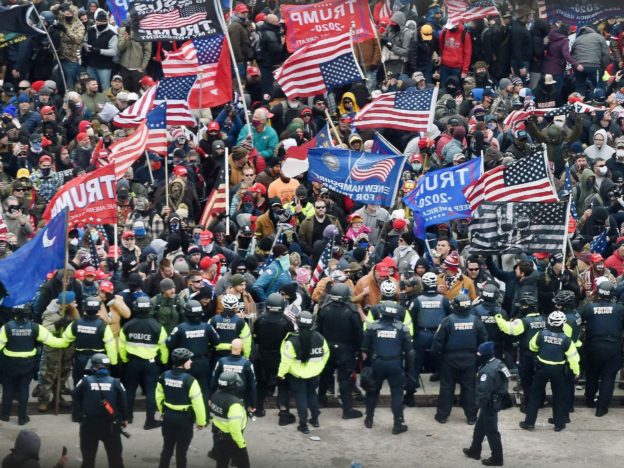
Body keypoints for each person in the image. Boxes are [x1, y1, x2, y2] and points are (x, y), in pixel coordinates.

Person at [0, 304, 66, 425]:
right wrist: (66, 341)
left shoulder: (6, 327)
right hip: (27, 365)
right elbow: (53, 341)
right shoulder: (36, 328)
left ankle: (4, 415)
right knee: (24, 389)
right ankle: (22, 418)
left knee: (8, 389)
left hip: (9, 365)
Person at [431, 294, 487, 425]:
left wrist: (438, 358)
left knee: (447, 387)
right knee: (469, 388)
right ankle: (471, 417)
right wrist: (478, 357)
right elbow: (484, 341)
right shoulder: (476, 321)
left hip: (449, 358)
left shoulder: (447, 321)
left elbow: (437, 342)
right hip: (470, 359)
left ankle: (442, 416)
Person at [519, 311, 580, 432]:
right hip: (558, 371)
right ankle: (559, 423)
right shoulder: (567, 340)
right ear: (563, 324)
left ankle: (529, 422)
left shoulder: (540, 334)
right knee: (558, 397)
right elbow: (573, 358)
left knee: (535, 396)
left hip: (541, 368)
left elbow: (532, 346)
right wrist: (576, 372)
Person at [361, 297, 412, 434]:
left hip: (377, 363)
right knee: (396, 394)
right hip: (395, 364)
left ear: (381, 312)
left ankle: (369, 419)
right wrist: (409, 371)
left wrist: (366, 366)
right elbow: (409, 351)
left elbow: (364, 349)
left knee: (372, 391)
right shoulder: (402, 329)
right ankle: (397, 424)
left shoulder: (372, 327)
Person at [118, 296, 169, 429]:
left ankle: (127, 417)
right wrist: (163, 362)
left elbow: (121, 345)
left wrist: (124, 360)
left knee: (130, 390)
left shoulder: (128, 325)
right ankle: (150, 421)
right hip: (151, 364)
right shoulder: (157, 326)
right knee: (152, 392)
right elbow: (164, 347)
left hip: (132, 363)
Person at [72, 353, 128, 468]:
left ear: (94, 366)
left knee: (88, 460)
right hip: (111, 425)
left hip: (89, 425)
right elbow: (124, 402)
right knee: (116, 459)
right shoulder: (115, 382)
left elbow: (74, 395)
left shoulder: (85, 381)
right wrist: (125, 418)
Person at [277, 311, 329, 434]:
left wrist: (280, 375)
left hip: (297, 375)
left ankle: (303, 425)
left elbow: (285, 361)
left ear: (297, 322)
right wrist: (319, 368)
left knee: (301, 398)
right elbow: (326, 354)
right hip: (314, 374)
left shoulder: (292, 341)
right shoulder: (319, 337)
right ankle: (315, 420)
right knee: (312, 395)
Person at [317, 283, 364, 419]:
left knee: (325, 376)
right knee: (344, 379)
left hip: (328, 349)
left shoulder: (324, 310)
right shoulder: (352, 312)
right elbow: (358, 334)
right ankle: (347, 409)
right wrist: (358, 350)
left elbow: (318, 331)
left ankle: (321, 399)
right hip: (345, 351)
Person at [494, 293, 546, 412]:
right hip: (542, 355)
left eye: (522, 306)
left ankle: (528, 405)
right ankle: (541, 402)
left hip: (527, 355)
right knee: (539, 380)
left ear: (528, 307)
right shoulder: (545, 319)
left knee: (527, 381)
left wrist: (498, 317)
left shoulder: (524, 321)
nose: (520, 308)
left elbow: (508, 329)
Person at [155, 348, 207, 468]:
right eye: (189, 360)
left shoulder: (163, 376)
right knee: (181, 453)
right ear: (183, 362)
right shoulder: (190, 380)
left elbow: (159, 397)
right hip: (184, 420)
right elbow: (198, 403)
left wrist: (164, 411)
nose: (191, 362)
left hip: (168, 417)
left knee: (167, 449)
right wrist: (201, 422)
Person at [463, 341, 510, 467]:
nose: (477, 355)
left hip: (490, 403)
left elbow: (483, 391)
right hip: (496, 399)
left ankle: (497, 458)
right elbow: (507, 378)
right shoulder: (499, 363)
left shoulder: (487, 371)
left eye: (479, 353)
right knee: (480, 428)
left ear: (485, 355)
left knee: (492, 432)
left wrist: (475, 406)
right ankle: (474, 450)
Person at [581, 280, 624, 416]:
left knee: (592, 374)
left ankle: (589, 400)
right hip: (613, 346)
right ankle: (601, 408)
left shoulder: (590, 307)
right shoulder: (619, 309)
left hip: (593, 345)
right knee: (608, 377)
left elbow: (579, 317)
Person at [166, 300, 220, 408]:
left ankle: (189, 413)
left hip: (185, 363)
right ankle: (204, 415)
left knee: (186, 388)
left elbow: (169, 343)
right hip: (203, 362)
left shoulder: (180, 328)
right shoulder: (207, 327)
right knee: (203, 389)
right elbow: (217, 341)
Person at [252, 292, 295, 421]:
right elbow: (290, 340)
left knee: (261, 384)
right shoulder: (286, 321)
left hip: (263, 356)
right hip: (280, 357)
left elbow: (256, 338)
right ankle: (283, 412)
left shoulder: (260, 320)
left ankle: (258, 409)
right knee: (283, 384)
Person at [408, 271, 452, 398]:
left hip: (422, 333)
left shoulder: (417, 300)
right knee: (441, 358)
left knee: (417, 359)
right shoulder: (444, 300)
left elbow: (412, 318)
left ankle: (414, 380)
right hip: (440, 334)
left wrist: (415, 334)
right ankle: (442, 376)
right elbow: (450, 318)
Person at [62, 296, 117, 387]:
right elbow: (110, 346)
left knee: (79, 383)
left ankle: (78, 400)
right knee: (97, 385)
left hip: (80, 359)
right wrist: (114, 363)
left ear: (84, 308)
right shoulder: (103, 326)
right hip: (98, 360)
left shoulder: (76, 323)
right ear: (98, 309)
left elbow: (65, 340)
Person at [209, 372, 250, 468]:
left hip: (218, 435)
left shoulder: (216, 394)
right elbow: (235, 429)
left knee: (221, 464)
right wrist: (242, 444)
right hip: (231, 439)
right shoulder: (234, 404)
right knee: (244, 464)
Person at [209, 338, 257, 414]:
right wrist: (253, 404)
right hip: (240, 399)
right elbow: (252, 385)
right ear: (242, 349)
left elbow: (214, 381)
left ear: (231, 347)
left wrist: (211, 398)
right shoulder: (247, 364)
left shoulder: (221, 361)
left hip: (222, 397)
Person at [209, 294, 252, 359]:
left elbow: (208, 338)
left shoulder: (213, 320)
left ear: (222, 304)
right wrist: (246, 356)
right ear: (236, 305)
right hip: (236, 356)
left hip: (216, 355)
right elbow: (246, 341)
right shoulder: (241, 322)